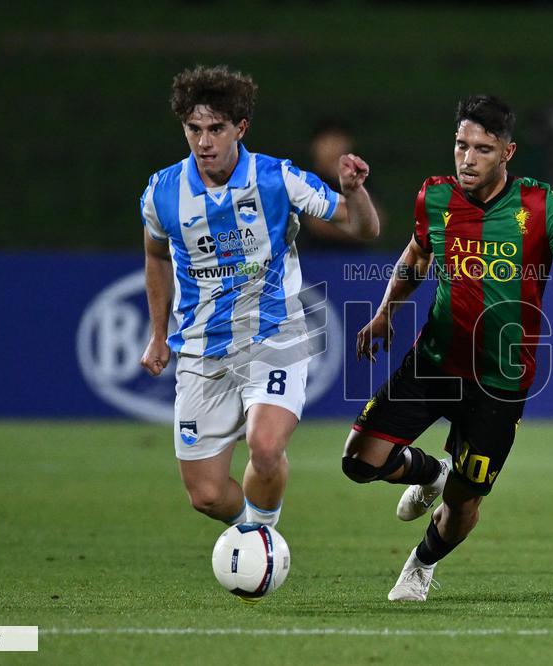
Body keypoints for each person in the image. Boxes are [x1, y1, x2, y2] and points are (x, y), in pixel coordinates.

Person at [342, 95, 553, 601]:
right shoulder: (434, 199)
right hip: (435, 362)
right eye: (461, 145)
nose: (467, 158)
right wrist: (386, 310)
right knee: (359, 462)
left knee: (464, 503)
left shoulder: (542, 207)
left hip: (500, 382)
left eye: (482, 148)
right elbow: (415, 257)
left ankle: (420, 565)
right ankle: (429, 470)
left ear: (508, 152)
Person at [139, 65, 379, 529]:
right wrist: (157, 335)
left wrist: (355, 192)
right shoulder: (162, 192)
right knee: (206, 495)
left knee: (265, 448)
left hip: (275, 336)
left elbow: (363, 227)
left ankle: (263, 539)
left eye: (216, 129)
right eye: (194, 129)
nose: (204, 141)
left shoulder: (277, 178)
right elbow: (156, 257)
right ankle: (252, 531)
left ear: (240, 128)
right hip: (202, 349)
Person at [297, 121, 382, 251]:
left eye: (338, 140)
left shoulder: (360, 179)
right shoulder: (305, 180)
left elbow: (378, 222)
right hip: (315, 259)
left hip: (357, 260)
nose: (333, 147)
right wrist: (360, 228)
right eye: (327, 141)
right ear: (314, 146)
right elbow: (316, 224)